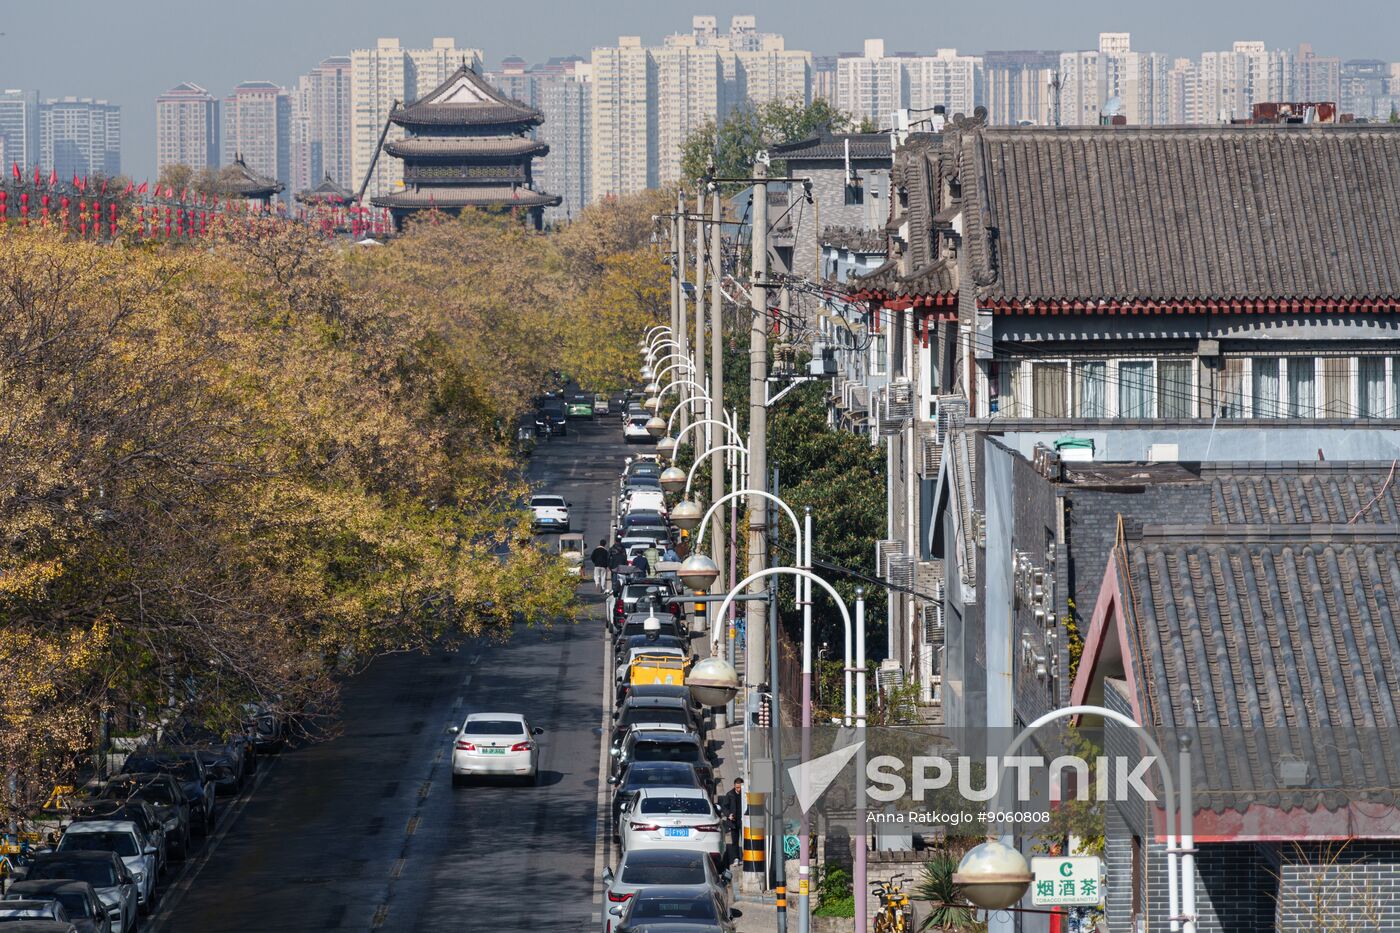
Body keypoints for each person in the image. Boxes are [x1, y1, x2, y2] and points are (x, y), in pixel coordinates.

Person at [719, 778, 744, 866]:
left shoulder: (745, 794)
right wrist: (729, 815)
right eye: (737, 787)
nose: (739, 789)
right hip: (733, 822)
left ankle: (745, 857)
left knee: (745, 840)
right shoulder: (730, 795)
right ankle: (736, 858)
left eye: (740, 787)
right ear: (734, 786)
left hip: (743, 821)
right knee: (735, 841)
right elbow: (724, 807)